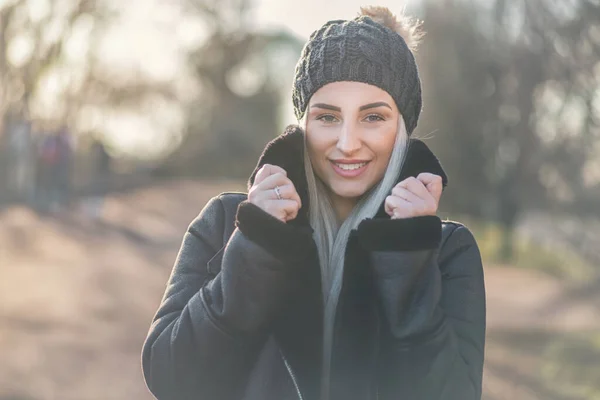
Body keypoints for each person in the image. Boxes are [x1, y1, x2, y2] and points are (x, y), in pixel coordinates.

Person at [142, 6, 486, 400]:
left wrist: (407, 253)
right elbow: (171, 378)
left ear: (402, 129)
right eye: (327, 117)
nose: (348, 143)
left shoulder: (445, 251)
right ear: (303, 124)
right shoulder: (228, 222)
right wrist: (259, 244)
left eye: (373, 117)